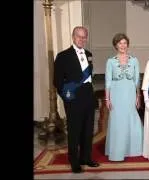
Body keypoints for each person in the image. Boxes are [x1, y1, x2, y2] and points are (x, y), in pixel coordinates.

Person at [53, 26, 99, 173]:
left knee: (88, 130)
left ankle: (86, 157)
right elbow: (58, 81)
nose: (82, 39)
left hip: (87, 96)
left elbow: (89, 78)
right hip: (73, 98)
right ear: (73, 37)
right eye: (79, 36)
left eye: (84, 37)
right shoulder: (63, 56)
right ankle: (74, 162)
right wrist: (68, 99)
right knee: (74, 131)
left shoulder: (89, 54)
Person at [104, 33, 143, 161]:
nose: (123, 45)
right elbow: (108, 81)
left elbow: (137, 80)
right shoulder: (110, 61)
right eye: (120, 43)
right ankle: (117, 152)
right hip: (116, 94)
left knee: (132, 120)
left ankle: (134, 149)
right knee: (117, 121)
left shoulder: (134, 60)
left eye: (125, 43)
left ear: (128, 45)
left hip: (130, 93)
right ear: (115, 45)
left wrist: (138, 96)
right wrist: (107, 99)